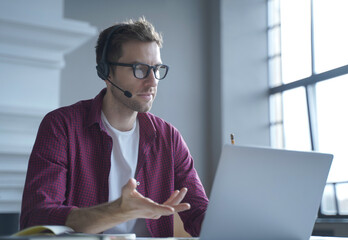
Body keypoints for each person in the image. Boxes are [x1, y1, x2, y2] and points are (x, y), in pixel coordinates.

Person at [20, 17, 208, 237]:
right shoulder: (61, 126)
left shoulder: (169, 138)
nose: (152, 81)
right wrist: (117, 211)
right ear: (106, 72)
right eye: (140, 69)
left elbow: (200, 215)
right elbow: (37, 218)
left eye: (157, 69)